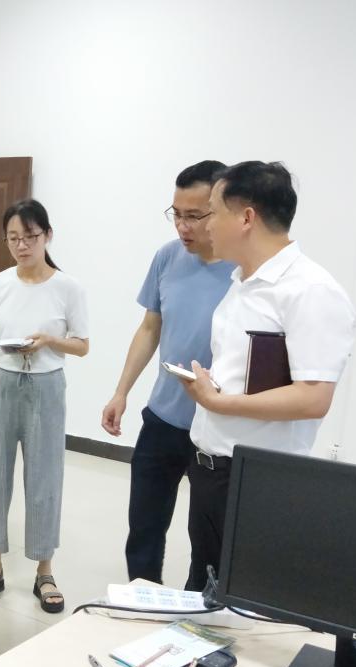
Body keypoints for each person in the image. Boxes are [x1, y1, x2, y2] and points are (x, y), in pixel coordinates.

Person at [181, 161, 356, 591]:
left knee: (246, 601)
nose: (205, 226)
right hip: (210, 470)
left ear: (246, 218)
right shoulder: (241, 281)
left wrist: (219, 401)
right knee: (205, 590)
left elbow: (313, 397)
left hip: (257, 482)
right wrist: (215, 388)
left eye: (212, 213)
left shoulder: (310, 291)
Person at [101, 160, 233, 584]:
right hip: (163, 418)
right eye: (176, 214)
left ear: (222, 209)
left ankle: (198, 611)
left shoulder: (244, 272)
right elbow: (149, 328)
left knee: (208, 543)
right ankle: (143, 598)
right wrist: (121, 392)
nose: (182, 226)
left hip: (215, 428)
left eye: (194, 215)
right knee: (144, 525)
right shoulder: (167, 257)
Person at [0, 199, 89, 613]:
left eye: (30, 237)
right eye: (13, 238)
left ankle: (44, 570)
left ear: (47, 236)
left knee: (44, 478)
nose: (22, 245)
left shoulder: (68, 287)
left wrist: (50, 340)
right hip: (1, 383)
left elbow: (82, 346)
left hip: (46, 386)